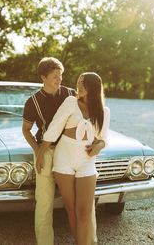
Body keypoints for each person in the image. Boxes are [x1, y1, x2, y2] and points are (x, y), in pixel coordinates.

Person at [22, 58, 98, 245]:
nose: (60, 79)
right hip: (45, 150)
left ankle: (91, 240)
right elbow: (26, 129)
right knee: (45, 201)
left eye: (61, 75)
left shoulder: (71, 94)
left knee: (85, 203)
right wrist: (37, 150)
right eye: (55, 76)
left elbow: (90, 118)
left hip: (71, 150)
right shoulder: (32, 102)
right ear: (43, 77)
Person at [36, 72, 110, 245]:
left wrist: (98, 146)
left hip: (87, 161)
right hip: (64, 159)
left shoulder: (104, 111)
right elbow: (53, 129)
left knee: (84, 212)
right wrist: (40, 155)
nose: (79, 86)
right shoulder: (70, 102)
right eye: (78, 82)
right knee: (71, 209)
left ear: (94, 87)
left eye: (84, 83)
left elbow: (103, 138)